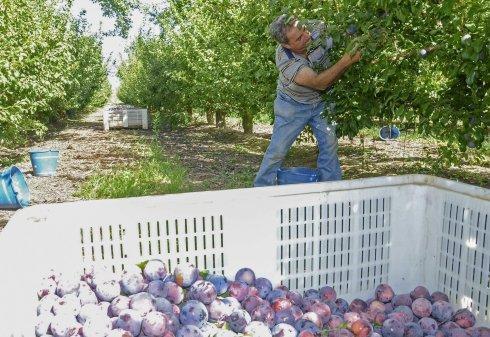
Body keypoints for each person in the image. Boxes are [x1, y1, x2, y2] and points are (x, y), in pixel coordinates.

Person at [253, 14, 361, 187]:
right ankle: (261, 191)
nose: (306, 35)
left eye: (303, 29)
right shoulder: (286, 60)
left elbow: (344, 32)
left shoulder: (317, 27)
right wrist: (347, 60)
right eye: (299, 38)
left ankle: (332, 191)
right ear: (286, 45)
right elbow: (320, 83)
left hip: (321, 102)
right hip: (292, 105)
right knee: (278, 150)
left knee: (329, 144)